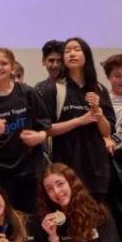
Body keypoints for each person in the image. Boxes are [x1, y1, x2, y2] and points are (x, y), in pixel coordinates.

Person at [0, 48, 51, 213]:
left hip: (30, 170)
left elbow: (45, 127)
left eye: (4, 63)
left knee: (34, 216)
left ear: (13, 68)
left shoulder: (27, 93)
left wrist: (39, 136)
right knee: (8, 217)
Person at [40, 38, 115, 201]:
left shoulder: (99, 88)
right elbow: (46, 129)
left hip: (97, 169)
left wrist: (98, 113)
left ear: (86, 55)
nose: (71, 54)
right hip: (66, 168)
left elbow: (107, 131)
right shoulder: (53, 89)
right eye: (67, 51)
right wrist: (79, 121)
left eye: (76, 49)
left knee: (96, 220)